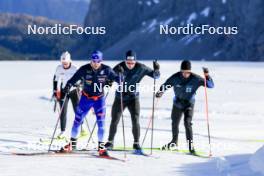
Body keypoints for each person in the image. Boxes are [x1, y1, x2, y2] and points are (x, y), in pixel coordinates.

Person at [61, 51, 120, 156]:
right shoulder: (84, 69)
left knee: (101, 124)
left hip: (99, 100)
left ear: (101, 61)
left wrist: (120, 77)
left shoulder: (106, 69)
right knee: (77, 121)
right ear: (91, 60)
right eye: (94, 61)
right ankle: (72, 144)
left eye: (98, 61)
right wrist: (68, 86)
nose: (96, 63)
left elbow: (117, 78)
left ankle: (101, 148)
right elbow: (73, 79)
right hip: (86, 98)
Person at [104, 50, 160, 152]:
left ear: (135, 61)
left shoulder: (141, 67)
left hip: (133, 98)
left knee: (135, 120)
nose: (130, 65)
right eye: (128, 63)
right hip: (120, 97)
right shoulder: (119, 67)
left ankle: (136, 143)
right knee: (115, 120)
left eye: (132, 63)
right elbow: (109, 77)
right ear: (125, 61)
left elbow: (156, 76)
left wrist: (156, 70)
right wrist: (109, 82)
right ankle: (110, 142)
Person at [155, 60, 214, 154]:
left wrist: (207, 76)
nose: (185, 74)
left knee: (187, 122)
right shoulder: (175, 77)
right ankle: (174, 143)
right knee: (174, 123)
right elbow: (166, 85)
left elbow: (211, 85)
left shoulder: (196, 79)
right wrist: (160, 92)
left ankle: (190, 146)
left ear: (190, 71)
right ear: (180, 71)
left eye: (187, 72)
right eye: (183, 72)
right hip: (177, 103)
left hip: (189, 103)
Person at [53, 51, 81, 139]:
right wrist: (55, 90)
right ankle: (63, 131)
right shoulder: (59, 68)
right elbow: (55, 79)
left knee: (77, 111)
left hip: (73, 91)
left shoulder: (74, 68)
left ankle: (82, 128)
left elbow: (81, 78)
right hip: (63, 91)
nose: (64, 65)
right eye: (63, 63)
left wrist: (78, 84)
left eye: (66, 63)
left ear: (69, 61)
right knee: (62, 111)